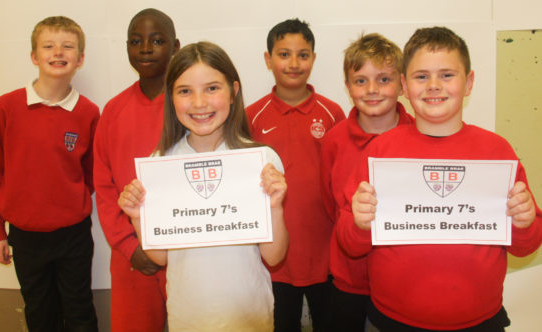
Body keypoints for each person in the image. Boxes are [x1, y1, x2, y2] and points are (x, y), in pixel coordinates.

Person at [337, 26, 542, 331]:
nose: (434, 86)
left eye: (447, 75)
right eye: (421, 77)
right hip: (391, 321)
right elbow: (349, 243)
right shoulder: (380, 152)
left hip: (480, 321)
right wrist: (359, 223)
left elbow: (525, 245)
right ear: (405, 86)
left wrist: (524, 223)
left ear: (469, 82)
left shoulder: (496, 151)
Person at [117, 41, 289, 331]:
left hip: (250, 316)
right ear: (171, 98)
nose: (199, 103)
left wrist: (274, 207)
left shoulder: (261, 161)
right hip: (187, 318)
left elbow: (274, 256)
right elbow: (159, 256)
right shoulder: (160, 163)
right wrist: (137, 215)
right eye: (185, 91)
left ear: (234, 92)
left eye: (212, 88)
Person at [0, 16, 99, 332]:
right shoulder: (7, 107)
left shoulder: (88, 112)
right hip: (24, 233)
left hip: (73, 233)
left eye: (68, 46)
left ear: (80, 58)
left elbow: (91, 173)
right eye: (48, 46)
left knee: (79, 309)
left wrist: (68, 200)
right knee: (39, 309)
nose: (58, 52)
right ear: (35, 57)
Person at [246, 18, 345, 332]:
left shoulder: (333, 113)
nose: (293, 63)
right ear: (268, 59)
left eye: (303, 55)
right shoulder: (251, 117)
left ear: (314, 59)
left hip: (325, 252)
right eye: (283, 54)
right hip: (274, 259)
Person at [93, 8, 180, 331]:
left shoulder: (191, 106)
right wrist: (130, 247)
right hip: (132, 256)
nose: (145, 48)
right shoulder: (114, 111)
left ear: (176, 47)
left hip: (186, 254)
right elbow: (104, 187)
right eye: (135, 41)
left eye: (157, 41)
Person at [320, 33, 413, 331]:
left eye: (383, 80)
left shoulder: (421, 136)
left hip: (404, 278)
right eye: (361, 81)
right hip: (349, 280)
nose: (372, 90)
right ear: (348, 87)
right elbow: (330, 203)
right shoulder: (333, 140)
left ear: (401, 84)